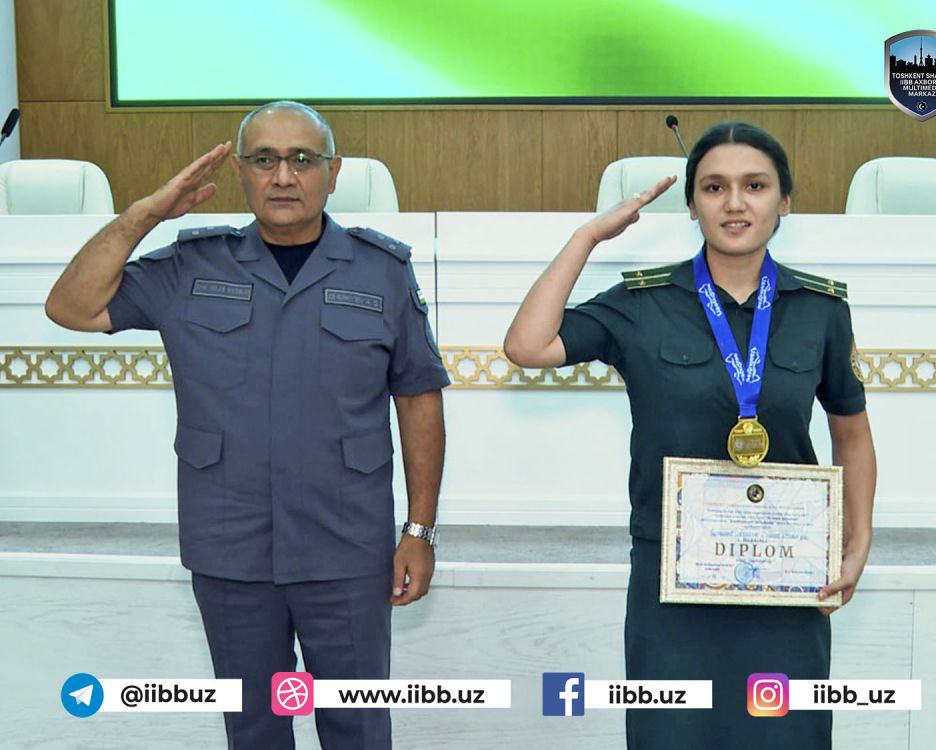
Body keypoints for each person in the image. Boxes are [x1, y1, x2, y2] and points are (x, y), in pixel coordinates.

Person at [45, 101, 449, 749]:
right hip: (230, 544)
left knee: (358, 725)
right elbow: (70, 306)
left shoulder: (381, 271)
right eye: (264, 160)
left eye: (302, 160)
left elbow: (419, 398)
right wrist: (145, 215)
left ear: (332, 172)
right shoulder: (190, 266)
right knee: (253, 727)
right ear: (238, 172)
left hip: (346, 545)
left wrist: (419, 530)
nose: (283, 176)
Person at [504, 121, 876, 748]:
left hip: (787, 578)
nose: (735, 203)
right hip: (671, 582)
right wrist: (587, 236)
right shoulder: (642, 302)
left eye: (755, 186)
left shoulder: (821, 309)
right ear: (692, 204)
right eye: (714, 187)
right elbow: (527, 345)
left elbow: (853, 434)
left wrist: (857, 539)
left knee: (785, 737)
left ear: (784, 201)